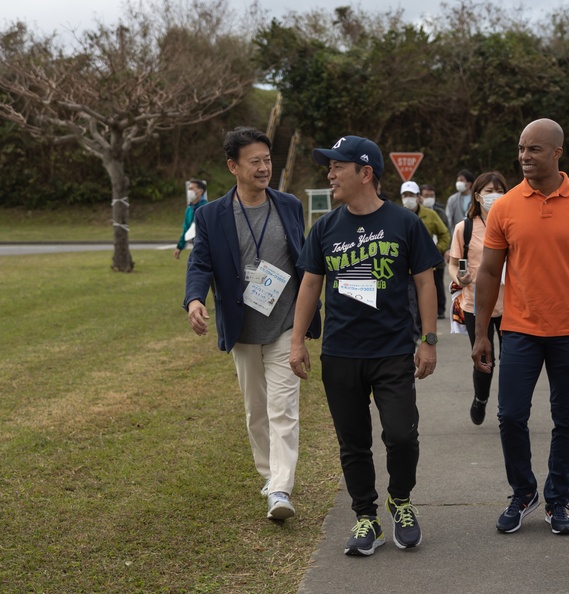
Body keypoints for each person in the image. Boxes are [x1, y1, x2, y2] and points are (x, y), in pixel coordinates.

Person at [290, 135, 441, 557]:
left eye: (338, 166)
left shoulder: (404, 223)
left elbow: (425, 282)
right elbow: (310, 284)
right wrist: (297, 340)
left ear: (365, 173)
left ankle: (401, 500)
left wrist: (428, 341)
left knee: (401, 434)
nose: (330, 174)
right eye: (330, 167)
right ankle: (366, 517)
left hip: (392, 350)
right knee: (353, 441)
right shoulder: (324, 227)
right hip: (341, 354)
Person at [473, 118, 569, 536]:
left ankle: (558, 500)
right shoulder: (507, 206)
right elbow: (490, 273)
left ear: (557, 153)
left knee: (566, 419)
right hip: (520, 330)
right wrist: (480, 333)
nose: (524, 157)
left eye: (533, 149)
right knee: (511, 415)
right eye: (521, 149)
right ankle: (523, 492)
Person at [183, 126, 320, 522]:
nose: (264, 168)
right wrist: (194, 299)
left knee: (283, 408)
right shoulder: (211, 215)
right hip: (242, 328)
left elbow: (305, 260)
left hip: (284, 327)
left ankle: (280, 489)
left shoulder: (289, 205)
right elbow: (201, 263)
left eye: (267, 160)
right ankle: (268, 475)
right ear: (233, 166)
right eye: (254, 162)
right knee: (256, 411)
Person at [448, 171, 508, 426]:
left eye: (499, 191)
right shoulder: (465, 228)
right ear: (477, 196)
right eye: (488, 191)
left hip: (511, 306)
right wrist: (458, 278)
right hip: (476, 304)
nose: (494, 196)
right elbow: (453, 263)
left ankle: (508, 408)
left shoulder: (511, 224)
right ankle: (480, 399)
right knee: (484, 359)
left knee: (512, 362)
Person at [401, 180, 450, 319]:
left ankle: (426, 329)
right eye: (405, 195)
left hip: (425, 266)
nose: (408, 198)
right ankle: (414, 332)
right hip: (404, 268)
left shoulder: (431, 214)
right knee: (410, 301)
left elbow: (445, 234)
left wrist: (435, 251)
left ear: (418, 197)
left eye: (411, 194)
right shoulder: (396, 216)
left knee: (426, 298)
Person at [173, 179, 208, 259]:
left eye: (191, 189)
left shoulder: (207, 208)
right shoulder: (189, 210)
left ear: (200, 191)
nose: (189, 191)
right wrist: (179, 247)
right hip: (196, 247)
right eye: (189, 189)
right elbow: (186, 229)